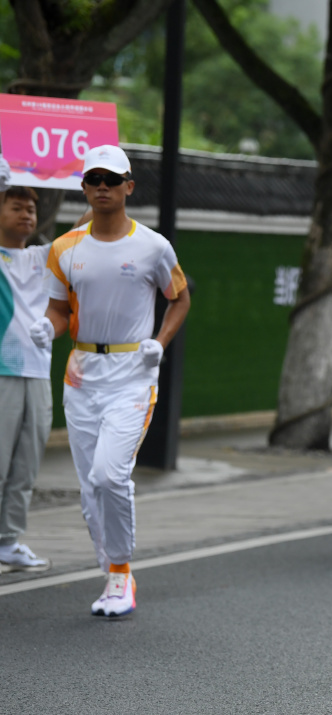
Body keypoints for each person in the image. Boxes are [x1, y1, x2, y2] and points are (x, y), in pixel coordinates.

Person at [31, 145, 191, 616]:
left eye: (111, 179)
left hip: (132, 373)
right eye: (93, 179)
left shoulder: (153, 246)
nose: (102, 187)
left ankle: (120, 573)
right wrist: (48, 327)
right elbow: (59, 309)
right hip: (82, 374)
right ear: (84, 187)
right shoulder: (66, 248)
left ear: (128, 187)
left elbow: (179, 298)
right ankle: (111, 575)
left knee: (109, 474)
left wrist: (159, 342)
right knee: (89, 487)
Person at [0, 161, 53, 573]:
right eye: (16, 206)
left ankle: (8, 541)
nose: (26, 214)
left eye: (30, 209)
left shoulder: (44, 257)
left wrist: (86, 176)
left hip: (37, 371)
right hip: (2, 371)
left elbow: (93, 222)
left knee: (25, 463)